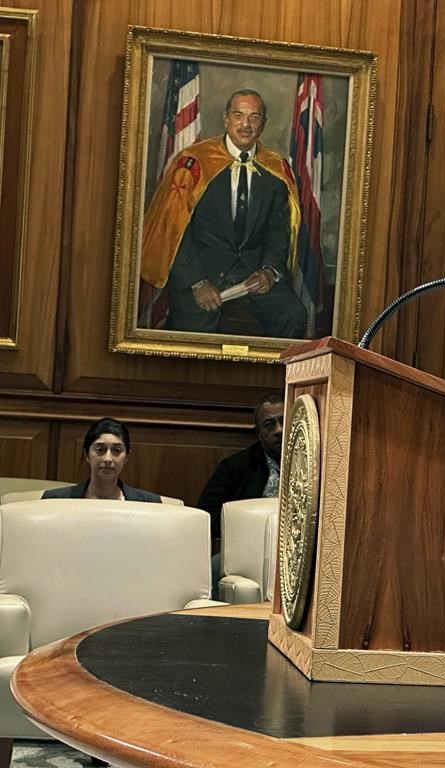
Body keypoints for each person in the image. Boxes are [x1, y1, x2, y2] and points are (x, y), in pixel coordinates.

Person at [140, 88, 306, 337]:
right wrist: (197, 282)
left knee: (293, 316)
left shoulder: (275, 170)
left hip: (252, 273)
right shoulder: (194, 163)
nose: (246, 125)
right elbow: (174, 231)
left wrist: (269, 271)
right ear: (225, 118)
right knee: (193, 329)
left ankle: (269, 377)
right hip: (201, 271)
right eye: (238, 115)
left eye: (254, 117)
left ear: (263, 124)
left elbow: (278, 230)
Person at [196, 392, 283, 540]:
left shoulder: (316, 463)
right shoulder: (235, 467)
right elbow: (206, 517)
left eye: (284, 420)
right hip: (248, 543)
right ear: (258, 433)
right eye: (269, 425)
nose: (279, 430)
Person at [42, 418, 162, 502]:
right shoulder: (53, 501)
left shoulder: (150, 504)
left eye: (116, 450)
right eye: (100, 450)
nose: (108, 458)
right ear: (87, 454)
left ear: (126, 457)